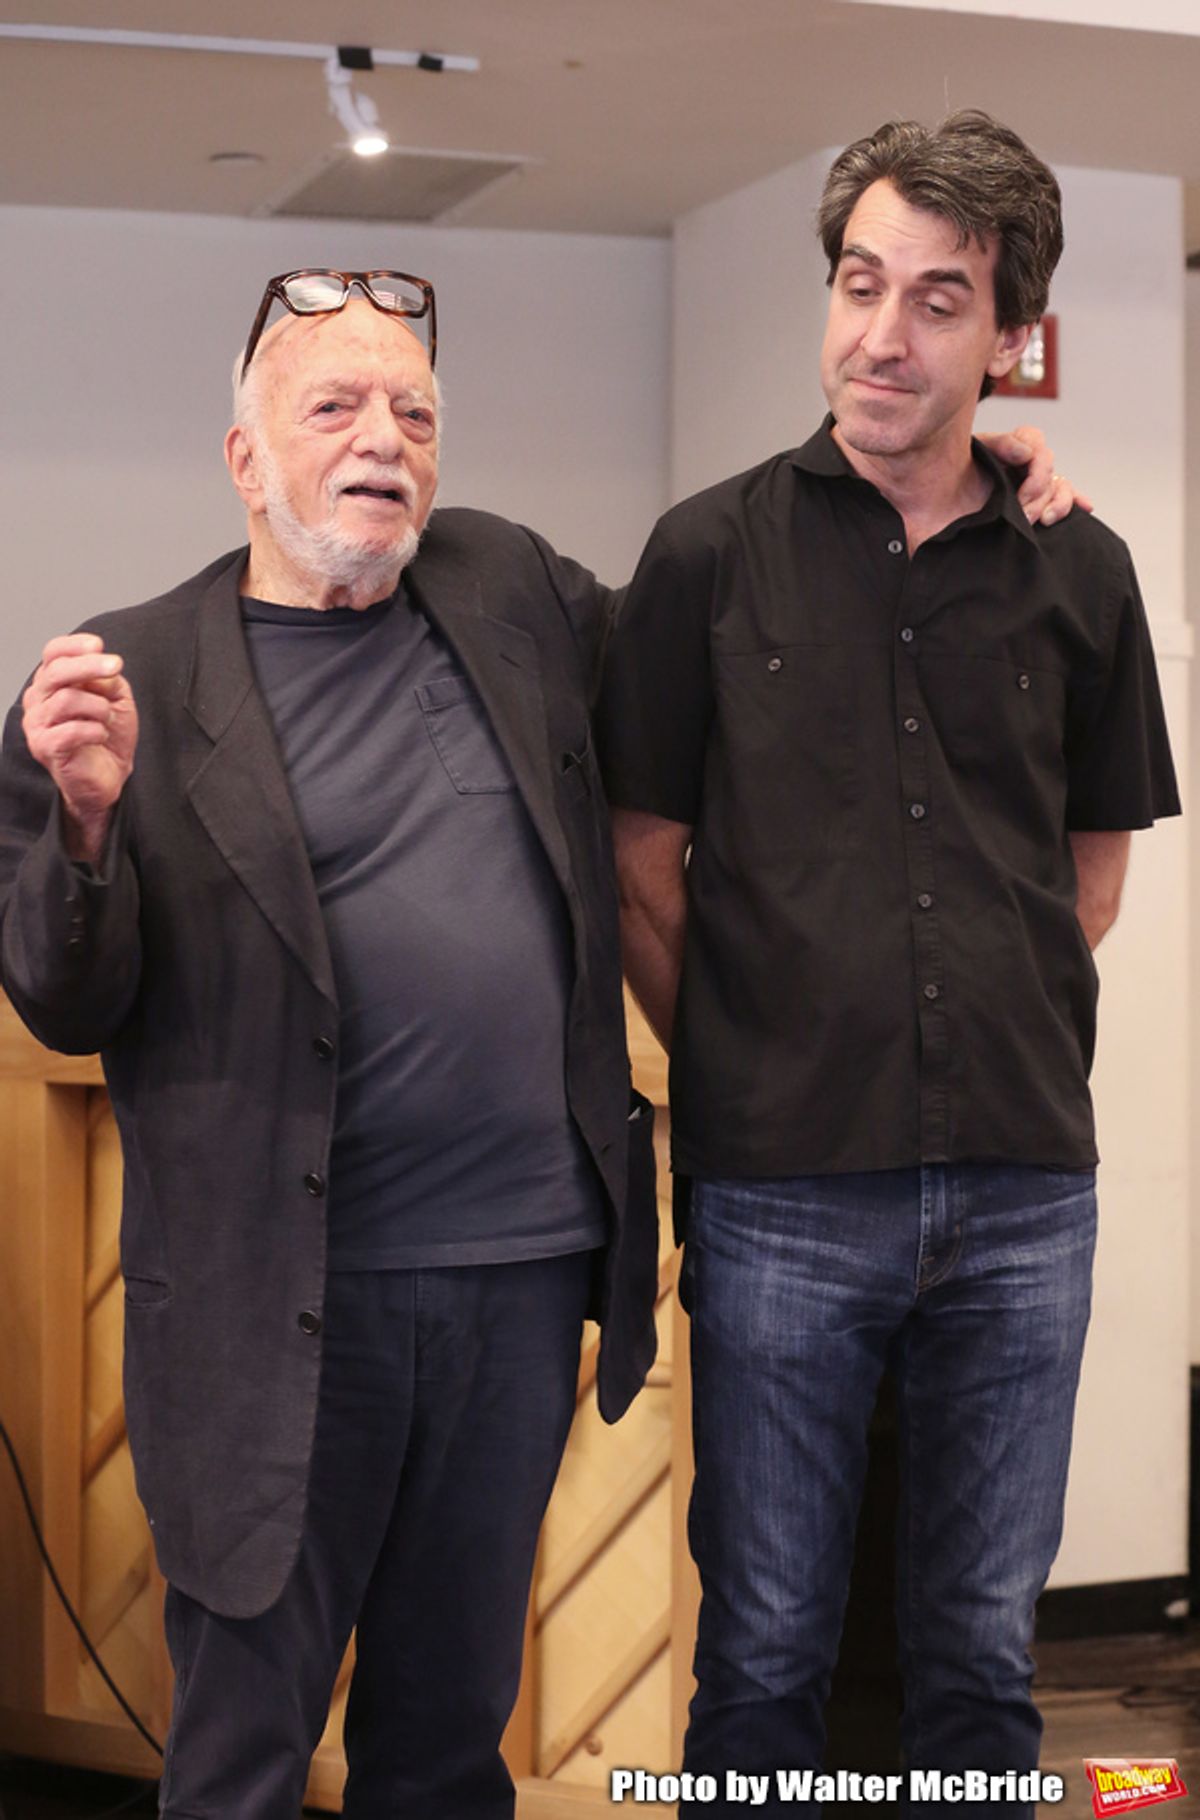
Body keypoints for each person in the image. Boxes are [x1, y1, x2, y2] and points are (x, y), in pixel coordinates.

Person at [0, 271, 660, 1818]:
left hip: (514, 1285)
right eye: (338, 406)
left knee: (448, 1742)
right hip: (275, 1311)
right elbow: (63, 999)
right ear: (245, 459)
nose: (387, 437)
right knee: (243, 1751)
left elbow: (727, 629)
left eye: (416, 411)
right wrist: (86, 826)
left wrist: (961, 474)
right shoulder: (125, 676)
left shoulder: (511, 593)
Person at [597, 112, 1179, 1816]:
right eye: (862, 285)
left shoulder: (1083, 568)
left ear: (1011, 339)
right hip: (779, 1193)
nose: (883, 333)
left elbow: (1091, 875)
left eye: (939, 300)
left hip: (1022, 1195)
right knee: (764, 1651)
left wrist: (980, 1034)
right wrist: (764, 1048)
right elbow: (643, 866)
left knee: (982, 1657)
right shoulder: (706, 556)